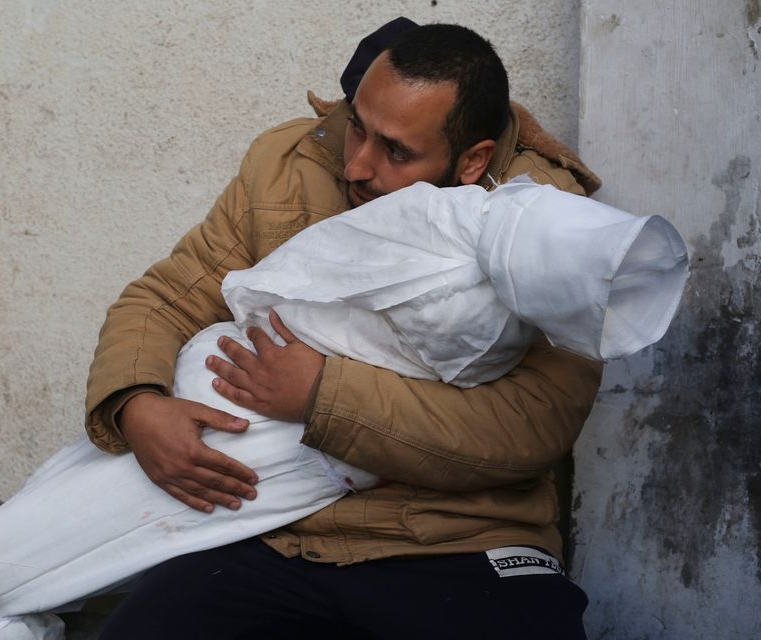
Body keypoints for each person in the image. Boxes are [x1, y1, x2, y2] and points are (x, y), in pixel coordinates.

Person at [87, 21, 603, 639]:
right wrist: (136, 406)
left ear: (473, 161)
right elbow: (166, 298)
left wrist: (320, 395)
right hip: (271, 529)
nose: (357, 163)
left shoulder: (549, 222)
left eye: (397, 151)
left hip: (458, 536)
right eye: (358, 124)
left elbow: (532, 423)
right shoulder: (289, 162)